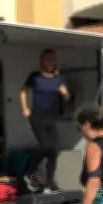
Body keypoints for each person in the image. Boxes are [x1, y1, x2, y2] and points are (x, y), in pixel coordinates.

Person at [20, 48, 70, 194]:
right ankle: (29, 173)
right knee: (46, 146)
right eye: (48, 59)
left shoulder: (59, 78)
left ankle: (49, 185)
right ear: (42, 60)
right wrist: (25, 108)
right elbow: (23, 91)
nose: (50, 62)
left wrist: (65, 93)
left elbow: (67, 98)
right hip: (37, 116)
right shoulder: (35, 77)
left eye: (52, 59)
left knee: (53, 151)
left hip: (52, 117)